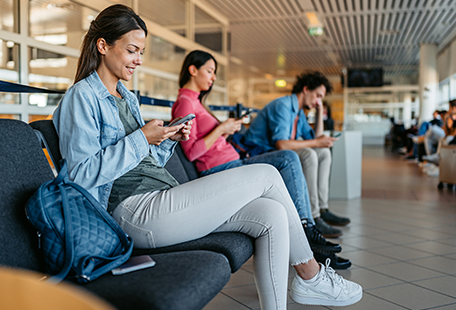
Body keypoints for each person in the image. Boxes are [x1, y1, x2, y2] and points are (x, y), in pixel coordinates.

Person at [52, 5, 361, 309]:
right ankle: (311, 275)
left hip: (162, 198)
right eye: (132, 50)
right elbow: (81, 176)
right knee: (268, 174)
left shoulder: (126, 96)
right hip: (131, 212)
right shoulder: (81, 98)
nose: (139, 60)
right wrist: (141, 138)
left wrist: (163, 141)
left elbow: (144, 162)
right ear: (103, 46)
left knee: (271, 214)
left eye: (141, 52)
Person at [171, 50, 351, 269]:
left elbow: (204, 142)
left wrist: (225, 131)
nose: (213, 77)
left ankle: (308, 231)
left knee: (290, 161)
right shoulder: (185, 103)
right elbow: (191, 152)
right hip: (220, 169)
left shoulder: (196, 103)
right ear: (193, 70)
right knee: (287, 157)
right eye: (210, 71)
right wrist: (221, 129)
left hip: (231, 162)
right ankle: (307, 230)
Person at [242, 72, 351, 228]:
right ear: (306, 89)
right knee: (308, 154)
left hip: (278, 152)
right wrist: (316, 142)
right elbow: (282, 144)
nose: (318, 101)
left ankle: (322, 208)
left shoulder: (299, 112)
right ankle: (313, 216)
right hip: (258, 153)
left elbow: (317, 138)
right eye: (318, 96)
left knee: (324, 153)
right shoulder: (283, 106)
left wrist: (320, 111)